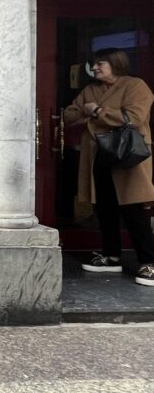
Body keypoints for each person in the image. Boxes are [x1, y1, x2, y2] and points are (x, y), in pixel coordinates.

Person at [62, 48, 154, 286]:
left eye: (100, 64)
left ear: (116, 63)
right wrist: (88, 111)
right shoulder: (90, 89)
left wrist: (98, 111)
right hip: (99, 155)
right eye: (94, 64)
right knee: (106, 208)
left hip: (128, 154)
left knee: (134, 209)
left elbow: (133, 117)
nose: (94, 68)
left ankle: (149, 263)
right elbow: (69, 115)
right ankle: (111, 256)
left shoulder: (135, 86)